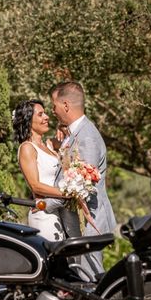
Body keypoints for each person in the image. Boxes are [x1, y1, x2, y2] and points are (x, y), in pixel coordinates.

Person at [49, 81, 116, 279]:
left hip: (89, 221)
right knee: (80, 279)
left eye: (54, 105)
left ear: (66, 106)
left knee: (91, 279)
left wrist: (47, 204)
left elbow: (80, 186)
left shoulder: (87, 136)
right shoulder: (74, 134)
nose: (53, 111)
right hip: (75, 222)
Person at [12, 99, 66, 241]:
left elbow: (73, 145)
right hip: (44, 215)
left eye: (45, 113)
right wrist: (67, 193)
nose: (46, 117)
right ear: (28, 121)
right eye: (41, 114)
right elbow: (35, 185)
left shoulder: (49, 144)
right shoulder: (27, 148)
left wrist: (63, 126)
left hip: (60, 210)